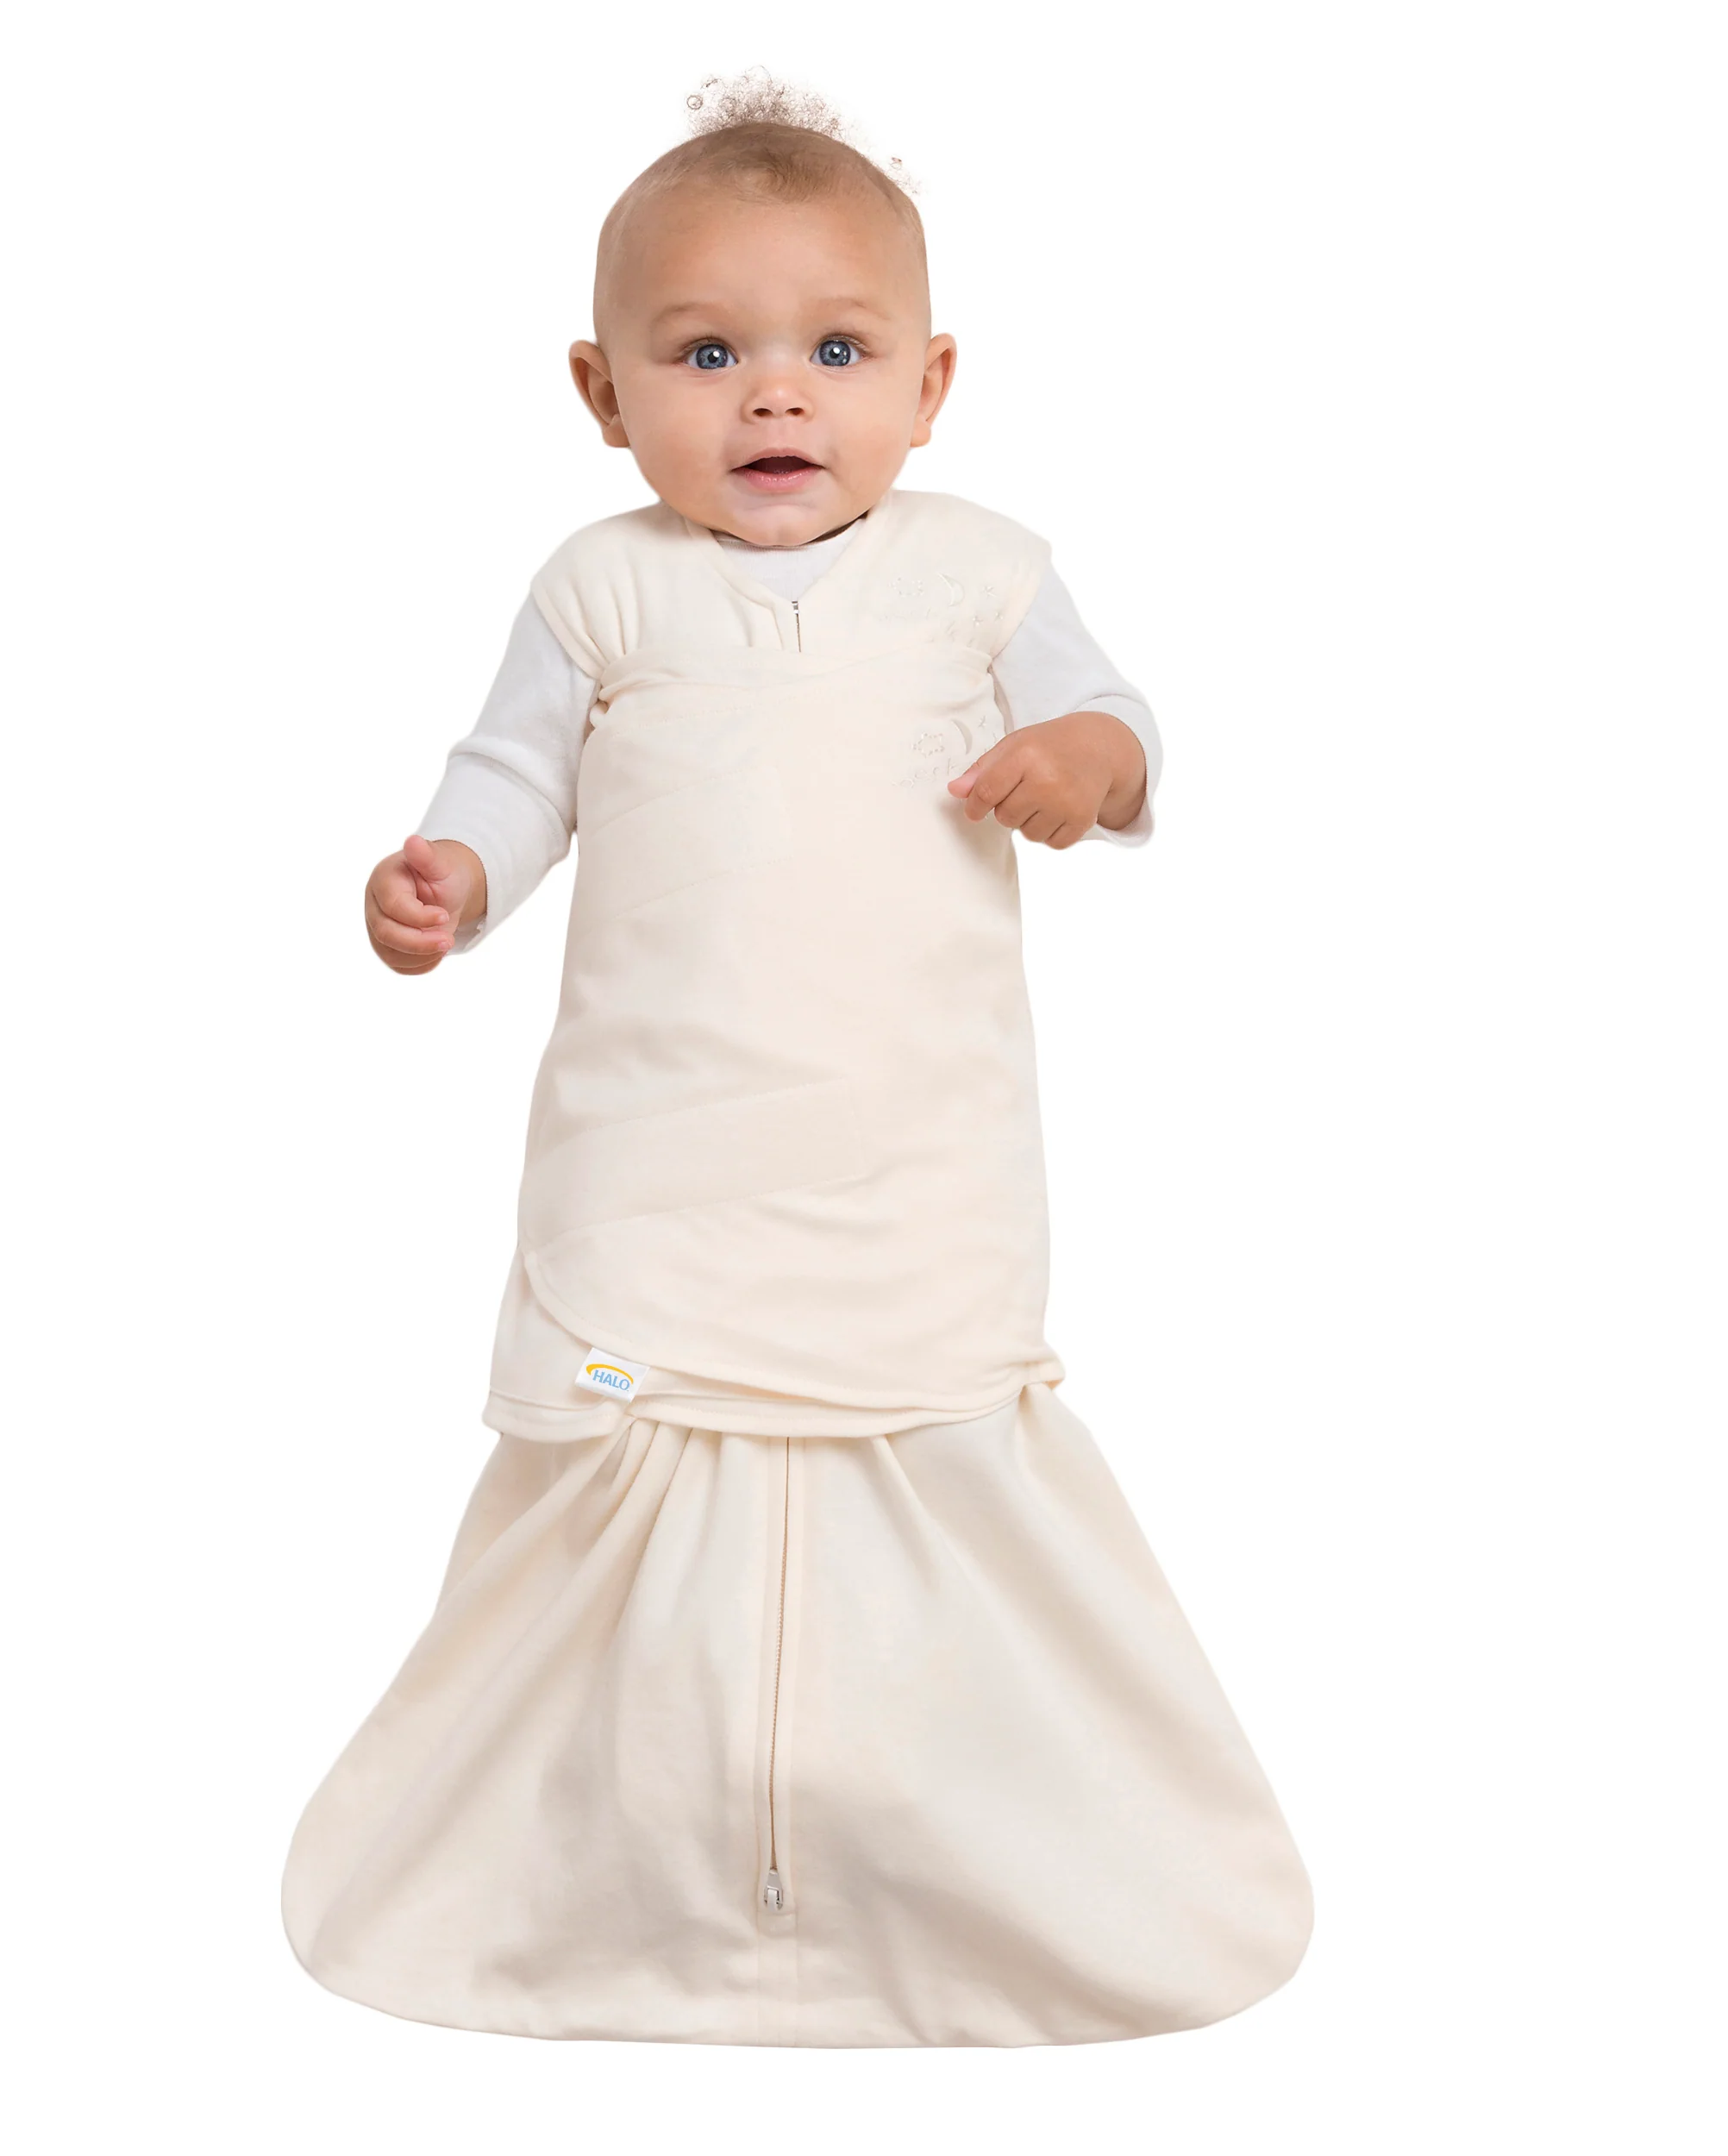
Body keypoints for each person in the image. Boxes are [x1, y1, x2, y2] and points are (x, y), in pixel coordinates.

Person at [285, 77, 1312, 2047]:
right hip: (654, 1188)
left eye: (835, 351)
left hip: (904, 1180)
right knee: (610, 1463)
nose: (773, 394)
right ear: (600, 390)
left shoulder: (977, 575)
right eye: (706, 354)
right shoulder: (599, 589)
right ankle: (595, 1882)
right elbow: (509, 777)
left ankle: (954, 1878)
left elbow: (1115, 724)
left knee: (925, 1468)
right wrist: (446, 878)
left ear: (930, 384)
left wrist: (1080, 767)